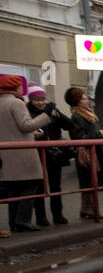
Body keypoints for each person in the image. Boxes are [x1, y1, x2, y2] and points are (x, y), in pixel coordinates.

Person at [0, 74, 51, 234]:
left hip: (7, 153)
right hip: (23, 153)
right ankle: (23, 221)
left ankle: (14, 222)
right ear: (15, 87)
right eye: (20, 86)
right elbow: (26, 125)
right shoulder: (16, 103)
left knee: (14, 190)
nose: (23, 89)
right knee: (29, 186)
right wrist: (46, 114)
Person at [26, 86, 72, 226]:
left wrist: (58, 114)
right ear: (30, 100)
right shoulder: (27, 112)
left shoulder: (52, 111)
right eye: (36, 100)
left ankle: (58, 215)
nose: (40, 103)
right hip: (36, 154)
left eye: (42, 99)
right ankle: (41, 217)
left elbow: (69, 125)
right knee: (39, 186)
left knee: (55, 185)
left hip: (54, 153)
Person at [65, 86, 103, 220]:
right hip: (87, 153)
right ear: (77, 101)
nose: (86, 100)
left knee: (90, 182)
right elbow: (80, 136)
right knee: (89, 181)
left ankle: (87, 208)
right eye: (83, 98)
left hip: (95, 151)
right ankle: (91, 209)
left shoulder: (87, 114)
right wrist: (99, 133)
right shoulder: (77, 116)